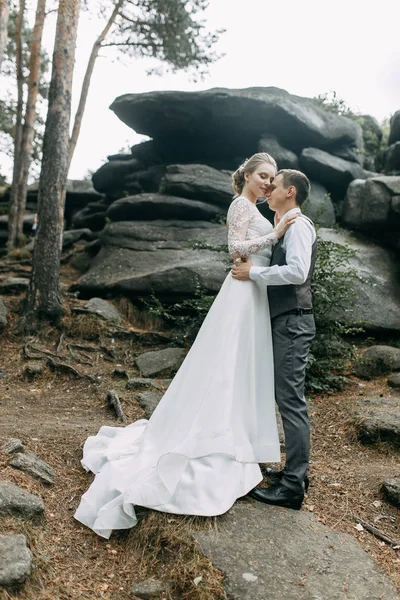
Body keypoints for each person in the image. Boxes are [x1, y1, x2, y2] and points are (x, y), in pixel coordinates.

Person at [74, 153, 297, 539]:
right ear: (246, 174)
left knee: (243, 367)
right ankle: (215, 439)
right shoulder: (239, 204)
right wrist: (276, 235)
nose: (266, 182)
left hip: (253, 293)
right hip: (241, 293)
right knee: (227, 364)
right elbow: (234, 248)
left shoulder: (258, 208)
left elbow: (252, 251)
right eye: (262, 175)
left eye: (271, 178)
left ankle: (238, 436)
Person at [232, 169, 317, 510]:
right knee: (285, 398)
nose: (268, 188)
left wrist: (253, 273)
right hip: (285, 322)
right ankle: (295, 474)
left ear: (290, 191)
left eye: (275, 184)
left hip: (293, 323)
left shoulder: (299, 226)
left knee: (291, 401)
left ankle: (293, 486)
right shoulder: (284, 225)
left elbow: (297, 272)